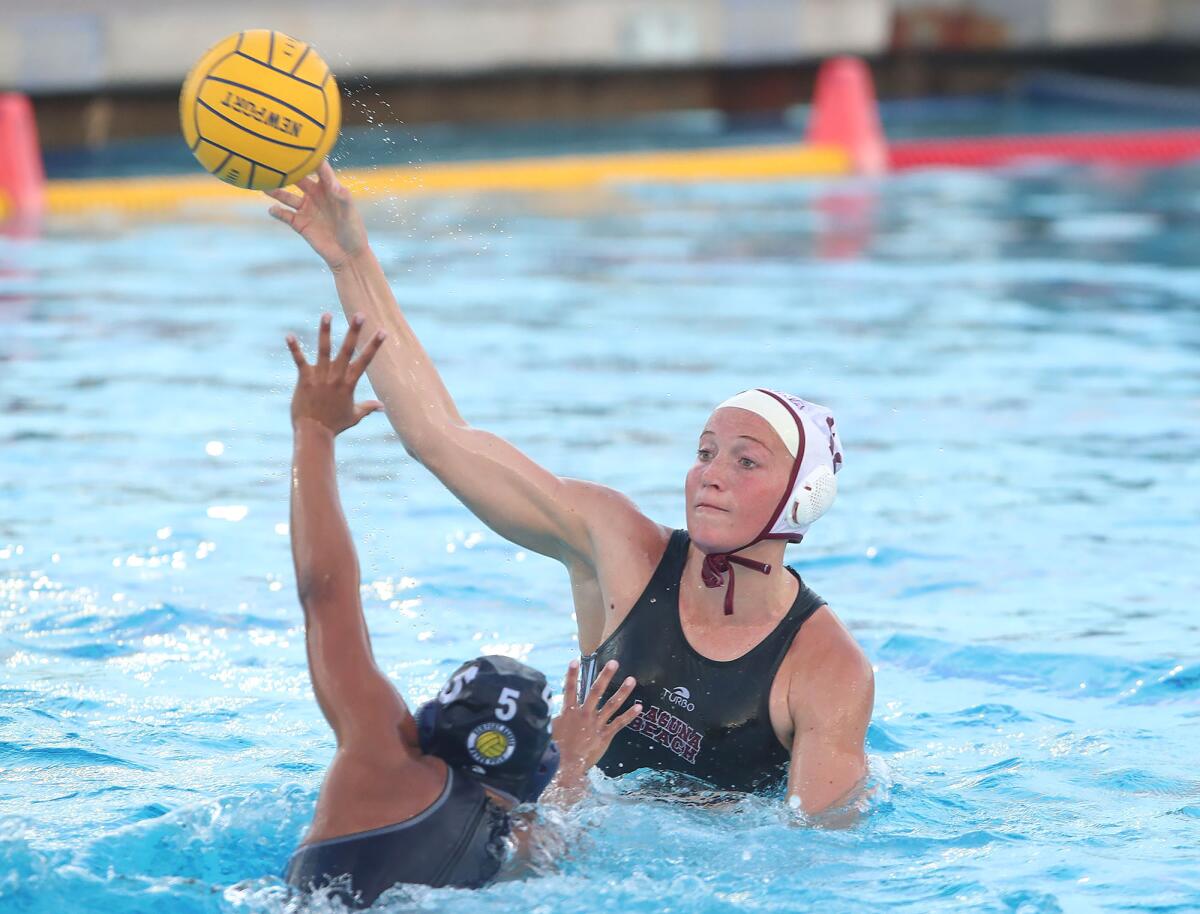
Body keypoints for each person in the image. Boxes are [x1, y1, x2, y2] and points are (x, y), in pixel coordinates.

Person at [266, 162, 874, 816]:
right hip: (565, 825)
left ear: (802, 497)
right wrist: (353, 261)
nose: (711, 474)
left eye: (746, 462)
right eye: (704, 452)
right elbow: (437, 438)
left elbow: (813, 855)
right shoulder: (616, 548)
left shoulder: (826, 669)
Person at [281, 314, 642, 907]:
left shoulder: (381, 758)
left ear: (425, 730)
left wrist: (313, 431)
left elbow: (326, 597)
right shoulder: (522, 843)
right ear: (529, 774)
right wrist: (573, 766)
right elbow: (554, 826)